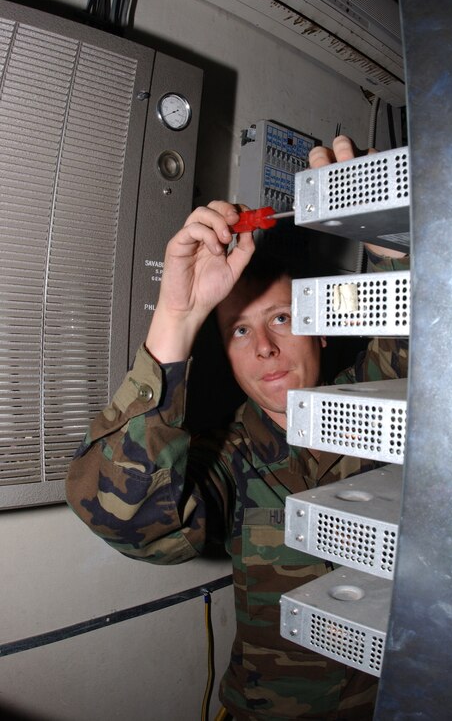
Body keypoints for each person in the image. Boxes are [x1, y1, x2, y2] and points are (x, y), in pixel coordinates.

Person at [66, 136, 409, 721]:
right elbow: (128, 523)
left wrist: (388, 239)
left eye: (282, 318)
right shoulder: (229, 458)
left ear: (321, 328)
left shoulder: (379, 397)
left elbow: (424, 339)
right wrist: (179, 315)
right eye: (239, 332)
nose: (268, 350)